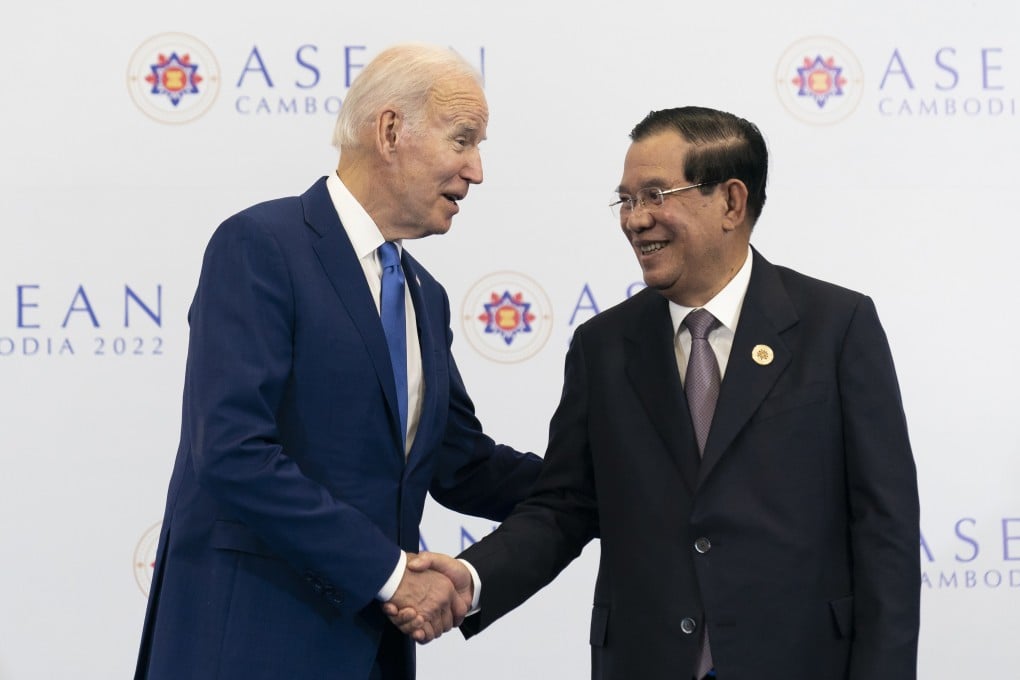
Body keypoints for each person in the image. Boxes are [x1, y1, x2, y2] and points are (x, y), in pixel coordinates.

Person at [391, 106, 921, 679]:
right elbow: (565, 506)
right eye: (626, 200)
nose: (635, 219)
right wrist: (469, 579)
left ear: (731, 203)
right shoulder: (603, 345)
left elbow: (883, 529)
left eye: (655, 194)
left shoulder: (835, 327)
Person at [133, 43, 542, 680]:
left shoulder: (423, 296)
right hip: (248, 646)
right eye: (463, 140)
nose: (477, 170)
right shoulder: (261, 246)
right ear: (389, 131)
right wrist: (390, 574)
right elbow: (234, 449)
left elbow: (462, 464)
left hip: (370, 655)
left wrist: (606, 484)